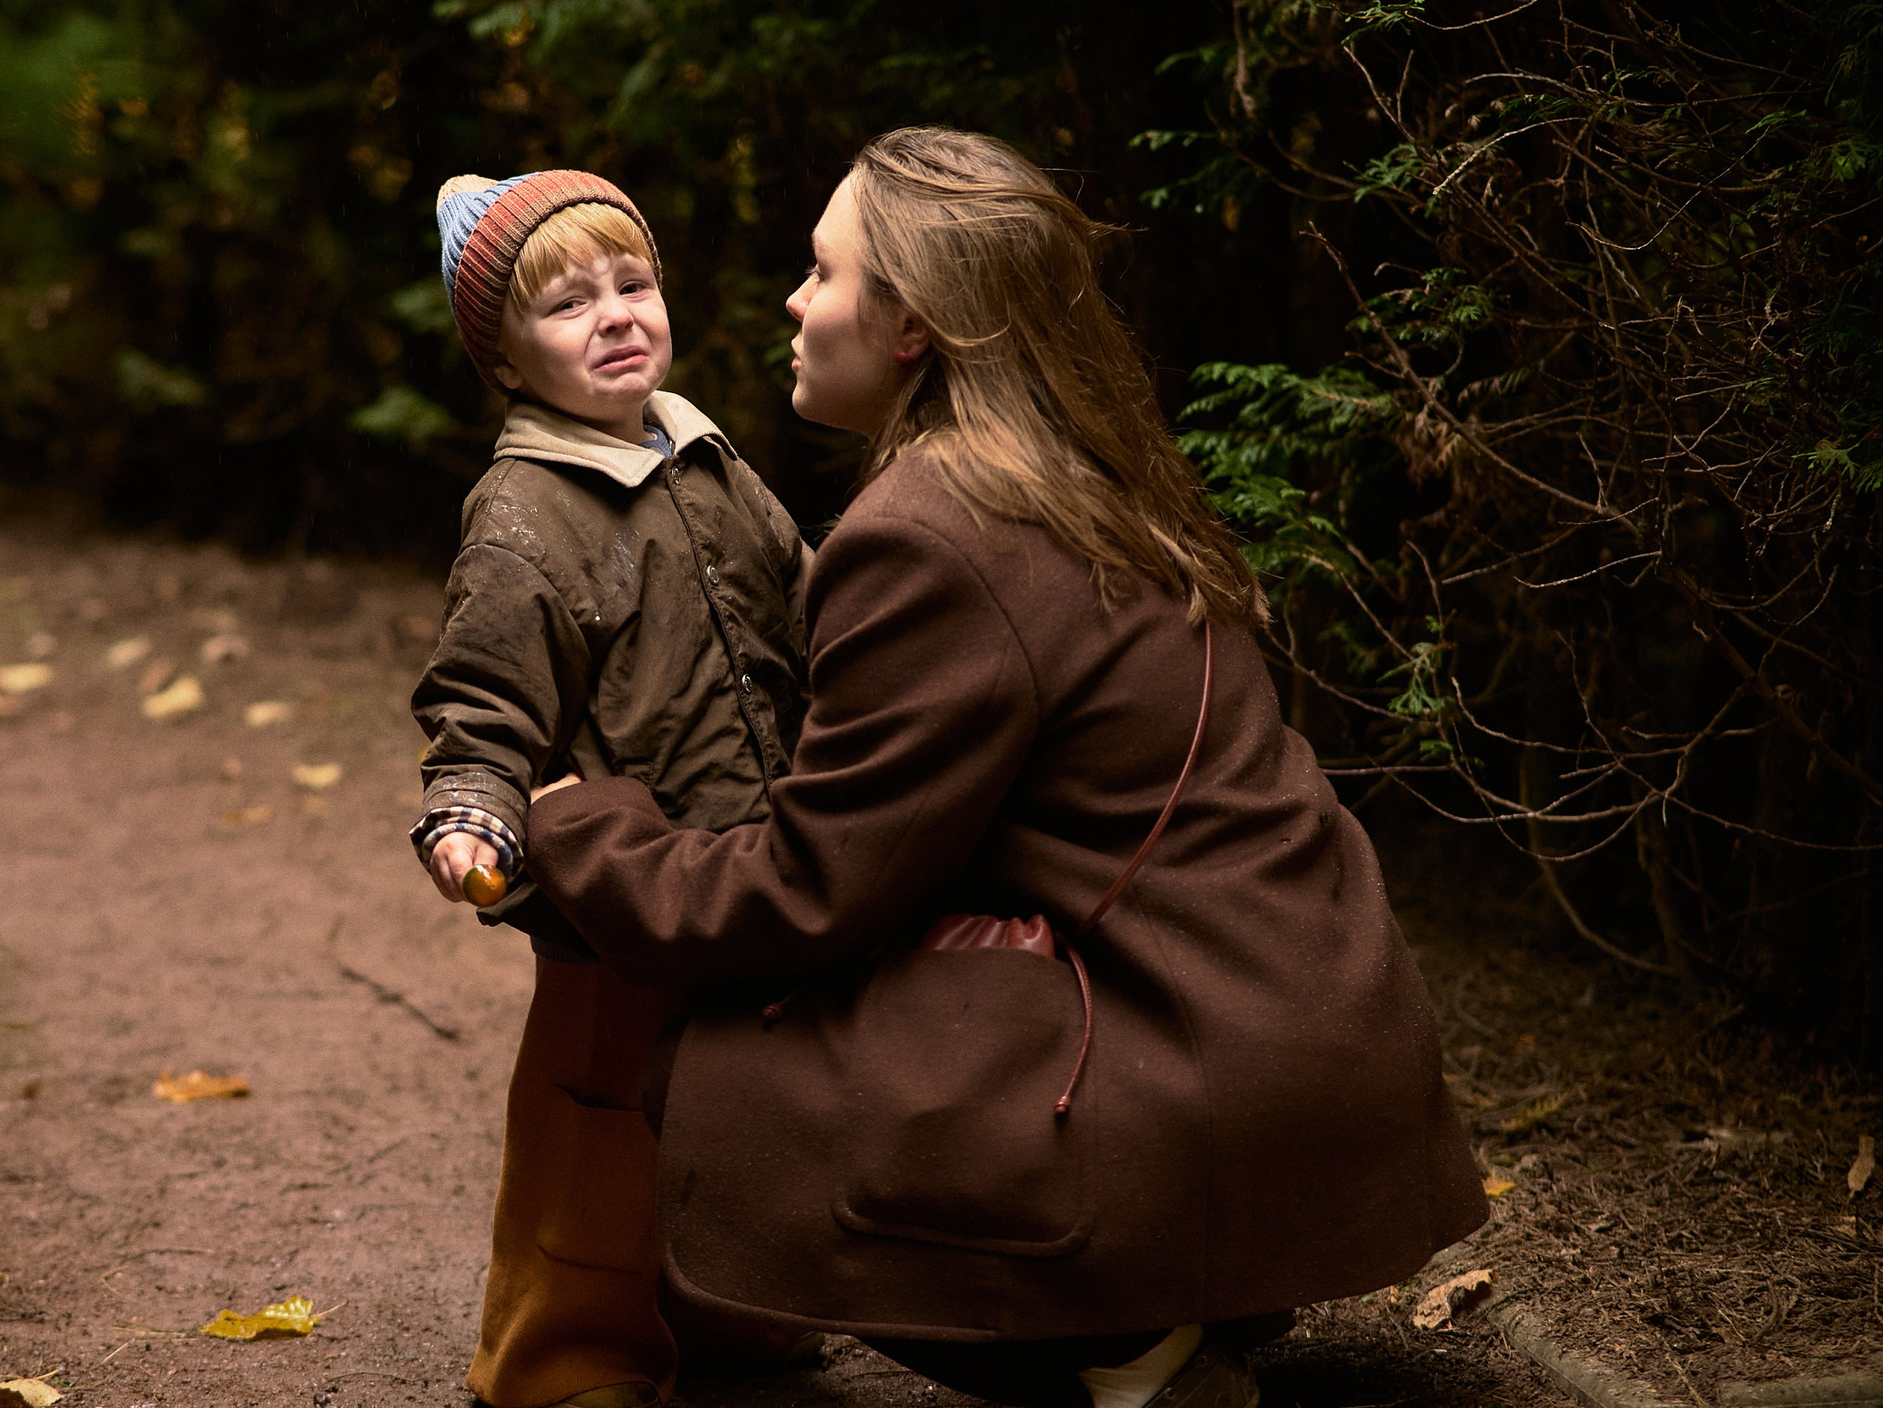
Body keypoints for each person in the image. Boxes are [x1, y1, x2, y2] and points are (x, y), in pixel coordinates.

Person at [521, 128, 1489, 1408]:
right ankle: (1196, 1276)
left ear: (911, 324)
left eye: (822, 273)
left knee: (715, 1075)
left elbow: (807, 893)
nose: (795, 305)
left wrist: (587, 828)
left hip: (1204, 1045)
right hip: (1308, 1024)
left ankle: (1115, 1345)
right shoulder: (1092, 469)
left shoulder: (928, 535)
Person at [409, 171, 815, 1408]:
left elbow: (806, 595)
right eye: (568, 304)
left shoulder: (705, 452)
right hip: (624, 889)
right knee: (598, 1117)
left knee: (746, 1102)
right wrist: (473, 806)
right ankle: (564, 1353)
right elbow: (482, 698)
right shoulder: (521, 513)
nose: (617, 315)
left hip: (754, 859)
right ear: (506, 360)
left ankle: (736, 1318)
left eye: (632, 284)